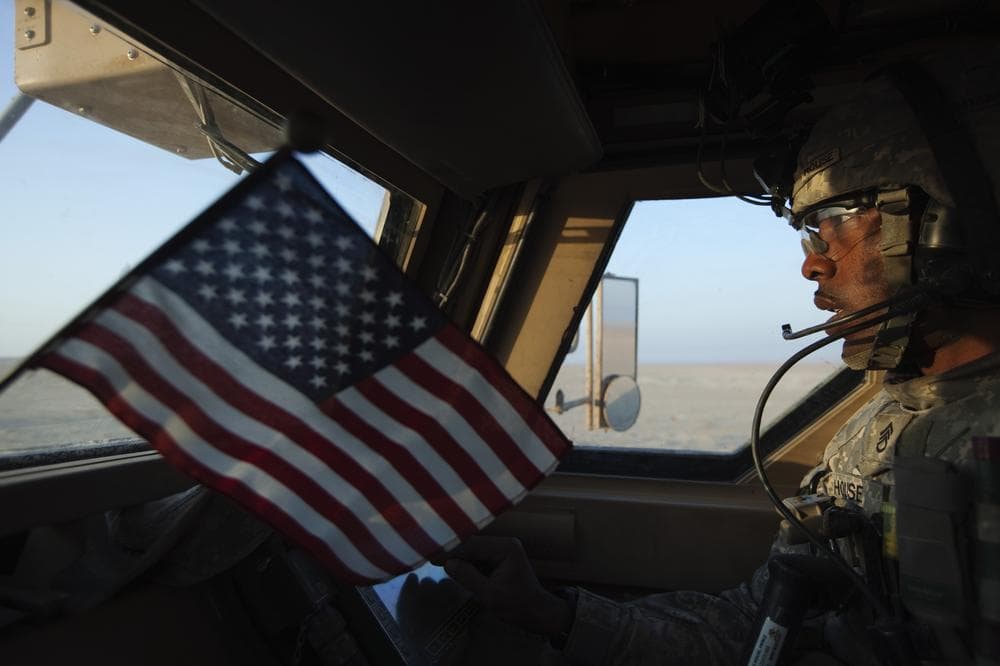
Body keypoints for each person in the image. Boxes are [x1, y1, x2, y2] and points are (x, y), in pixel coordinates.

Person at [442, 46, 1000, 665]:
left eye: (836, 220)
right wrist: (552, 613)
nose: (812, 264)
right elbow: (752, 627)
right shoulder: (872, 432)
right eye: (808, 234)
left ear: (947, 227)